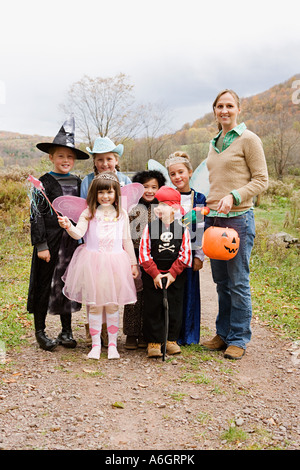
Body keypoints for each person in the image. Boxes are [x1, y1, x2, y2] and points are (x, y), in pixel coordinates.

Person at [202, 89, 268, 360]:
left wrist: (234, 195)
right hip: (215, 220)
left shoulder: (249, 139)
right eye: (220, 106)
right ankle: (224, 333)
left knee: (238, 281)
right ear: (215, 110)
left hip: (239, 219)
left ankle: (239, 338)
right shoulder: (214, 141)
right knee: (220, 282)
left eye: (229, 105)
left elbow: (262, 180)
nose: (224, 110)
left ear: (238, 109)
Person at [58, 172, 139, 360]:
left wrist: (133, 263)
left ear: (116, 193)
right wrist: (68, 226)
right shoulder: (89, 213)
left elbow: (127, 240)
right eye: (101, 192)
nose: (105, 196)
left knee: (112, 305)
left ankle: (112, 344)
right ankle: (95, 345)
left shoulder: (122, 214)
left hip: (115, 264)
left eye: (109, 192)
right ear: (94, 194)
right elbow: (78, 234)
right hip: (93, 263)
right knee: (94, 305)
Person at [27, 117, 89, 351]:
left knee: (68, 283)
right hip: (50, 243)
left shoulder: (79, 182)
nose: (66, 160)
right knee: (44, 283)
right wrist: (41, 244)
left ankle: (66, 330)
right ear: (51, 157)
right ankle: (41, 331)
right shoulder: (42, 183)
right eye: (60, 156)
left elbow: (86, 212)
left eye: (70, 156)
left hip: (72, 243)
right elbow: (36, 216)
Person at [80, 136, 131, 345]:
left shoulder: (125, 181)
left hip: (116, 241)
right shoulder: (87, 181)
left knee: (113, 287)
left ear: (116, 160)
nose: (104, 164)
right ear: (94, 162)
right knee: (94, 286)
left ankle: (111, 331)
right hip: (94, 242)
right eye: (99, 159)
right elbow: (85, 211)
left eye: (109, 159)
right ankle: (95, 329)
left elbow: (126, 211)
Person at [139, 186, 192, 358]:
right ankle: (154, 341)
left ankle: (171, 339)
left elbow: (185, 254)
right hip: (153, 276)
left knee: (174, 306)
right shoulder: (150, 228)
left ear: (174, 207)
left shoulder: (182, 229)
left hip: (173, 276)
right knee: (153, 307)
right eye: (157, 204)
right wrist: (154, 273)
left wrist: (173, 273)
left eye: (163, 204)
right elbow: (144, 252)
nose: (158, 208)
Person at [166, 151, 206, 345]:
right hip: (170, 251)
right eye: (173, 174)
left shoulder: (198, 198)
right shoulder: (167, 197)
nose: (177, 177)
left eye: (181, 172)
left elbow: (199, 227)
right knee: (173, 292)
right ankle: (171, 333)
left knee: (189, 292)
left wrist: (199, 255)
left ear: (190, 172)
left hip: (189, 250)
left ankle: (188, 335)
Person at [123, 169, 166, 350]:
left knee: (151, 296)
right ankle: (131, 334)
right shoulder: (132, 208)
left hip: (154, 257)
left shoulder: (162, 209)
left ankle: (147, 334)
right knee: (134, 294)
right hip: (134, 254)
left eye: (154, 187)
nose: (149, 190)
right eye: (145, 186)